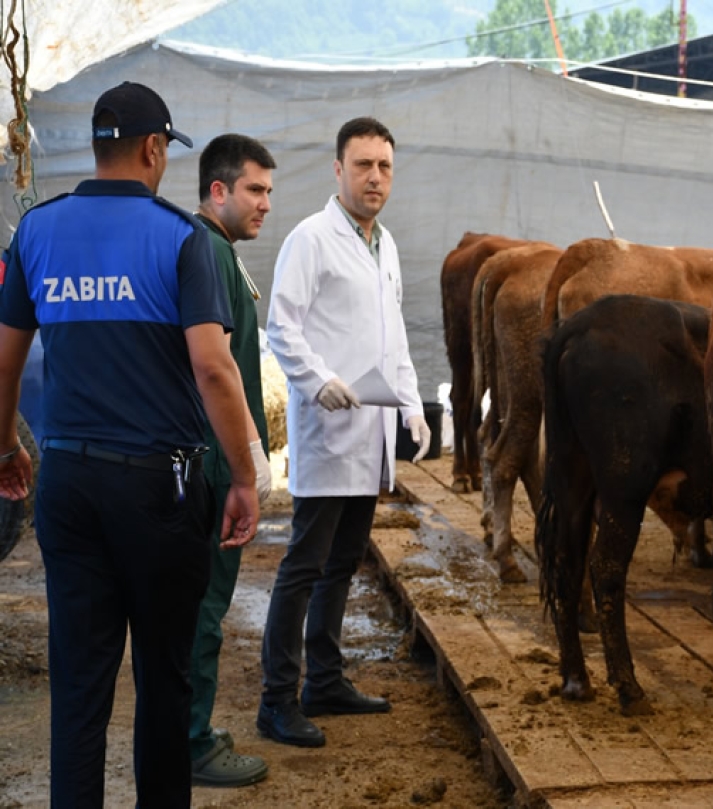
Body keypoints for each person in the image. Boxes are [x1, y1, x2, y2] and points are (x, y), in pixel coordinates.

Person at [0, 82, 259, 808]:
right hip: (160, 491)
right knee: (162, 678)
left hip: (71, 484)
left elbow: (4, 361)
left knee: (80, 684)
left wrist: (2, 449)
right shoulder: (181, 239)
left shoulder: (38, 231)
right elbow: (213, 366)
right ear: (153, 149)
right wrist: (243, 475)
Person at [257, 116, 430, 748]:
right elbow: (282, 326)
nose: (375, 177)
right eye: (363, 165)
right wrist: (315, 380)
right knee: (304, 564)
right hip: (329, 428)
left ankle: (324, 680)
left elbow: (395, 337)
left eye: (384, 166)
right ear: (339, 170)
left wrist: (412, 405)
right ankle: (277, 700)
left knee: (344, 563)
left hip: (373, 432)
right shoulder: (311, 239)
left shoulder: (384, 245)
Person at [188, 133, 277, 787]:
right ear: (217, 190)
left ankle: (189, 728)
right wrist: (245, 463)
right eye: (254, 190)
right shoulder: (209, 254)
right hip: (216, 466)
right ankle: (190, 740)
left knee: (202, 604)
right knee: (205, 607)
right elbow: (215, 371)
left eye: (269, 191)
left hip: (219, 460)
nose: (265, 204)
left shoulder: (217, 251)